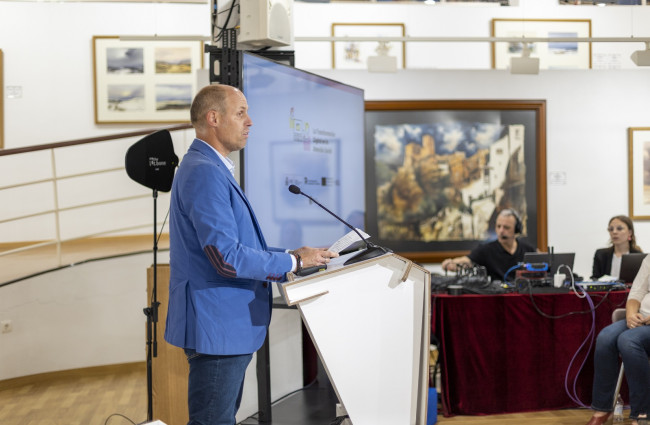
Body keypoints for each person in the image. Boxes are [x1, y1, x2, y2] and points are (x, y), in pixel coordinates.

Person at [164, 84, 338, 425]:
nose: (250, 122)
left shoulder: (209, 167)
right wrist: (293, 262)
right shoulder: (203, 171)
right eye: (241, 112)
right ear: (213, 118)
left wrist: (293, 255)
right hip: (218, 326)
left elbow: (236, 245)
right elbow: (225, 256)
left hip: (224, 325)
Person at [585, 254, 650, 425]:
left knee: (629, 341)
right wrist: (630, 315)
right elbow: (637, 291)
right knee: (606, 337)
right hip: (640, 317)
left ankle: (642, 412)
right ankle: (602, 408)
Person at [440, 208, 536, 282]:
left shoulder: (528, 249)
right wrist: (451, 264)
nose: (501, 231)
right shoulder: (485, 250)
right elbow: (467, 261)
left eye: (506, 227)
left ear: (517, 229)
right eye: (498, 226)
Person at [591, 215, 642, 280]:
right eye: (611, 229)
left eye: (619, 228)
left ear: (630, 232)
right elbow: (595, 279)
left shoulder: (638, 256)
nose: (614, 232)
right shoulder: (601, 254)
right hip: (607, 290)